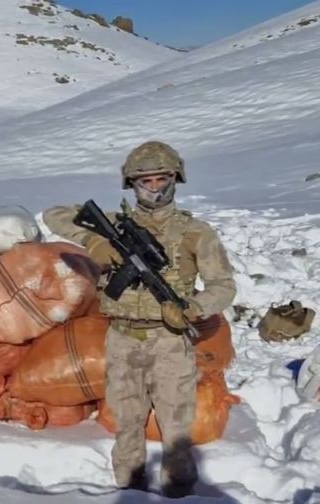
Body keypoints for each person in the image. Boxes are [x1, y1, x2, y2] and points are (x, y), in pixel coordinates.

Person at [43, 141, 236, 497]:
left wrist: (190, 309)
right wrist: (97, 243)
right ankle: (128, 489)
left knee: (176, 427)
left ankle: (178, 490)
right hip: (122, 337)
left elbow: (223, 287)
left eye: (161, 179)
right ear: (132, 184)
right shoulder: (115, 225)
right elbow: (54, 215)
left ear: (175, 179)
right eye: (145, 181)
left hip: (169, 340)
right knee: (127, 421)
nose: (154, 187)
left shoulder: (196, 233)